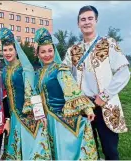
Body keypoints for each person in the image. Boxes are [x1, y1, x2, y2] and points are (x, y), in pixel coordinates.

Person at [63, 5, 131, 160]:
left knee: (110, 150)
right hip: (83, 107)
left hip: (105, 105)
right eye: (83, 19)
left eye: (90, 18)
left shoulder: (108, 44)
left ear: (96, 21)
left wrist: (105, 96)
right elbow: (64, 75)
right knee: (87, 149)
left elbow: (123, 73)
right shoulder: (72, 50)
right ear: (78, 23)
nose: (86, 22)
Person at [34, 27, 98, 160]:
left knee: (62, 153)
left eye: (50, 50)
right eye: (43, 52)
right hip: (46, 120)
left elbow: (72, 89)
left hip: (59, 121)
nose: (47, 55)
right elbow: (35, 95)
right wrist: (39, 115)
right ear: (38, 54)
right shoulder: (38, 73)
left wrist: (87, 109)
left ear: (54, 51)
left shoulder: (60, 69)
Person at [0, 28, 51, 160]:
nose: (8, 53)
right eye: (5, 50)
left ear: (16, 50)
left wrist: (39, 114)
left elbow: (32, 91)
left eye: (10, 49)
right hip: (13, 117)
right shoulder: (4, 70)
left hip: (27, 116)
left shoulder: (24, 68)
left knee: (30, 151)